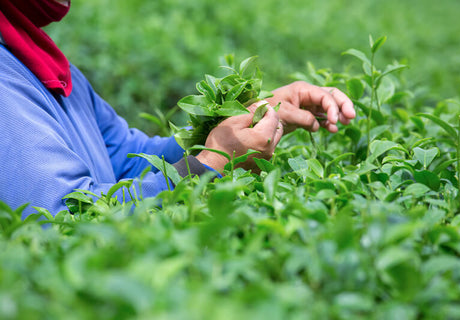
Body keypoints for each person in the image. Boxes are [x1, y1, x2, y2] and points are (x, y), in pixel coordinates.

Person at [0, 0, 356, 219]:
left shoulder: (39, 60)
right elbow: (59, 218)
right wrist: (209, 165)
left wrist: (248, 117)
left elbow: (127, 157)